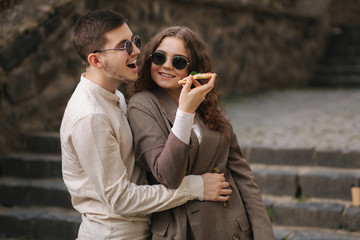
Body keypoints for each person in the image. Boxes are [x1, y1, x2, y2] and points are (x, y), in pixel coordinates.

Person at [60, 11, 232, 240]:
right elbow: (122, 200)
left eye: (134, 41)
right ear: (96, 60)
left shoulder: (115, 97)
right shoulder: (91, 117)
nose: (137, 51)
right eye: (124, 46)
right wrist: (195, 187)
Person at [127, 26, 275, 240]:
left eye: (178, 61)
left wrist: (263, 234)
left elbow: (242, 176)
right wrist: (185, 112)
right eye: (159, 57)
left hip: (231, 225)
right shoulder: (142, 104)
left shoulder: (205, 105)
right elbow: (167, 176)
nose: (166, 65)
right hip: (185, 230)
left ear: (192, 69)